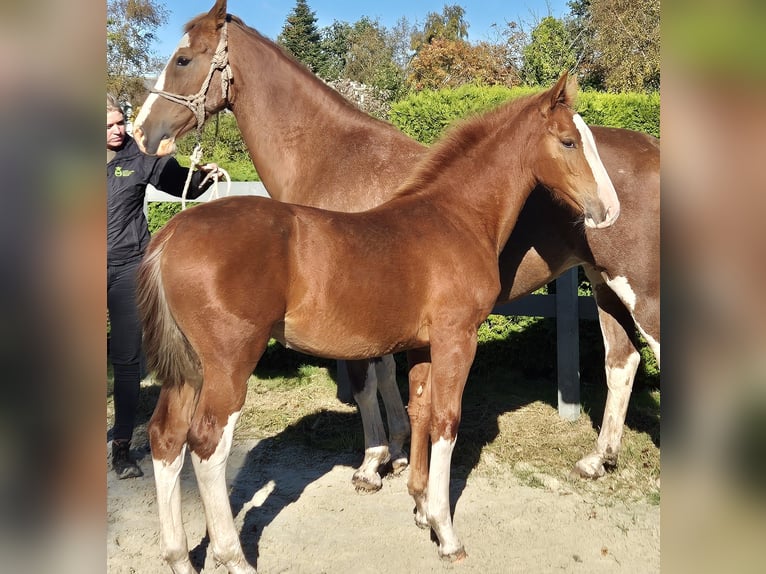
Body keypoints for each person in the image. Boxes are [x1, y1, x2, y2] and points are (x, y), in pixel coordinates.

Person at [107, 93, 220, 478]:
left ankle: (121, 446)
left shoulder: (138, 156)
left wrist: (203, 176)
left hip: (126, 269)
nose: (118, 130)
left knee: (126, 361)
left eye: (120, 122)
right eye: (109, 125)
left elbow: (180, 185)